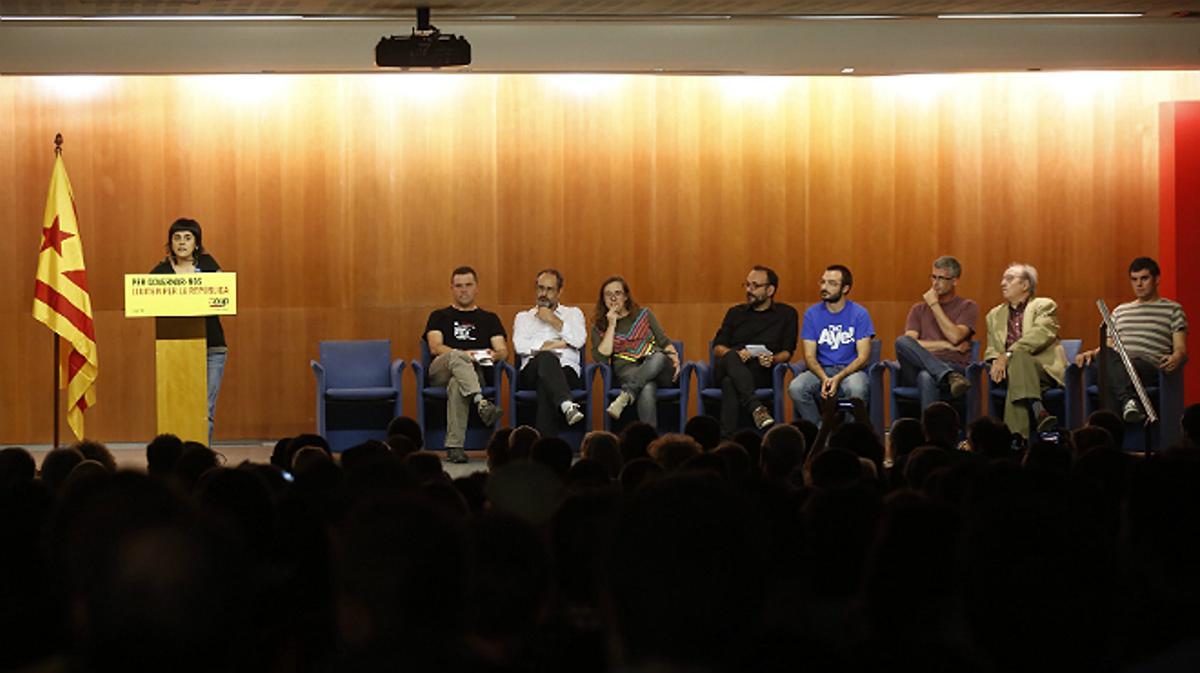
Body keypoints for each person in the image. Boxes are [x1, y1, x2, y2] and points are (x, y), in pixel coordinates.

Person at [1074, 257, 1188, 423]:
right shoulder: (1120, 310)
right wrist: (1091, 353)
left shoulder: (1172, 309)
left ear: (1157, 279)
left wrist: (1177, 356)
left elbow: (1181, 349)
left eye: (1144, 278)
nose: (1139, 284)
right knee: (1108, 361)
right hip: (1119, 362)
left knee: (1110, 378)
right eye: (1134, 280)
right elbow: (1108, 348)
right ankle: (1129, 402)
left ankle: (1111, 437)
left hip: (1146, 364)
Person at [150, 218, 227, 446]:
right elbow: (142, 298)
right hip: (175, 349)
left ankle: (202, 455)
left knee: (205, 409)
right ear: (170, 243)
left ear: (197, 243)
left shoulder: (209, 263)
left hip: (212, 348)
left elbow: (225, 293)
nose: (182, 243)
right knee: (178, 406)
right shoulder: (161, 271)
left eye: (187, 237)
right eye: (176, 238)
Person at [423, 266, 507, 464]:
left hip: (474, 374)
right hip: (442, 369)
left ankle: (455, 447)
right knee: (456, 357)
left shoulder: (489, 318)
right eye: (459, 286)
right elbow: (435, 347)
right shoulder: (439, 316)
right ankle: (481, 401)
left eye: (468, 285)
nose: (464, 290)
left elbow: (503, 351)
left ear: (476, 288)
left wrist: (491, 355)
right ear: (451, 288)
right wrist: (463, 355)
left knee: (457, 385)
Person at [711, 266, 798, 437]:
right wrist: (736, 355)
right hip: (729, 364)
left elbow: (788, 351)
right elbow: (718, 347)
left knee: (730, 383)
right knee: (730, 358)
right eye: (747, 285)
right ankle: (756, 407)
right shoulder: (735, 313)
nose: (749, 290)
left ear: (770, 289)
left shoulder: (787, 314)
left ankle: (727, 439)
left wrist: (773, 359)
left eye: (755, 286)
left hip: (760, 370)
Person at [983, 263, 1067, 438]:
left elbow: (1041, 334)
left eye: (1009, 279)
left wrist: (1007, 355)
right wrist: (995, 361)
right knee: (1016, 370)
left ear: (1025, 285)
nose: (1002, 283)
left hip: (1042, 369)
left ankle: (1016, 441)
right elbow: (991, 349)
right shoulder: (994, 315)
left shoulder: (1044, 305)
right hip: (1007, 373)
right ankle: (1038, 410)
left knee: (1019, 357)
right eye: (1002, 279)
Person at [788, 265, 875, 425]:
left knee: (857, 389)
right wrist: (825, 378)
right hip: (821, 370)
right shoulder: (812, 314)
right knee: (797, 387)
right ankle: (821, 434)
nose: (824, 287)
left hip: (851, 370)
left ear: (845, 288)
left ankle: (847, 436)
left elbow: (863, 357)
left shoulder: (860, 313)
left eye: (832, 283)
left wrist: (838, 378)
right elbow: (809, 356)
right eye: (823, 282)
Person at [592, 276, 681, 427]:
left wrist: (675, 358)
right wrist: (612, 324)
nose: (613, 298)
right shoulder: (599, 326)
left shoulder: (644, 314)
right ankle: (649, 442)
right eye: (608, 294)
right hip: (627, 369)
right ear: (603, 299)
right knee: (647, 387)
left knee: (659, 356)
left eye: (618, 293)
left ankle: (626, 394)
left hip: (658, 367)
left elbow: (664, 342)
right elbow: (601, 357)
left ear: (626, 296)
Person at [893, 256, 977, 412]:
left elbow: (955, 336)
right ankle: (946, 375)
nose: (935, 283)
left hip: (954, 366)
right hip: (918, 368)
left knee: (927, 376)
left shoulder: (968, 306)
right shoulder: (918, 309)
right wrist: (946, 345)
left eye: (941, 278)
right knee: (901, 341)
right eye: (933, 277)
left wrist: (934, 304)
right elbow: (909, 343)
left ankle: (930, 432)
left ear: (955, 280)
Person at [512, 269, 588, 437]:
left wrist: (552, 320)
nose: (543, 294)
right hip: (531, 371)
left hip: (566, 372)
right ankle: (567, 404)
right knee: (546, 358)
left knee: (545, 382)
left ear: (559, 292)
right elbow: (520, 346)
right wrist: (556, 344)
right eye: (540, 288)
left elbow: (578, 340)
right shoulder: (523, 317)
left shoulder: (573, 314)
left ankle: (545, 447)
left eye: (549, 289)